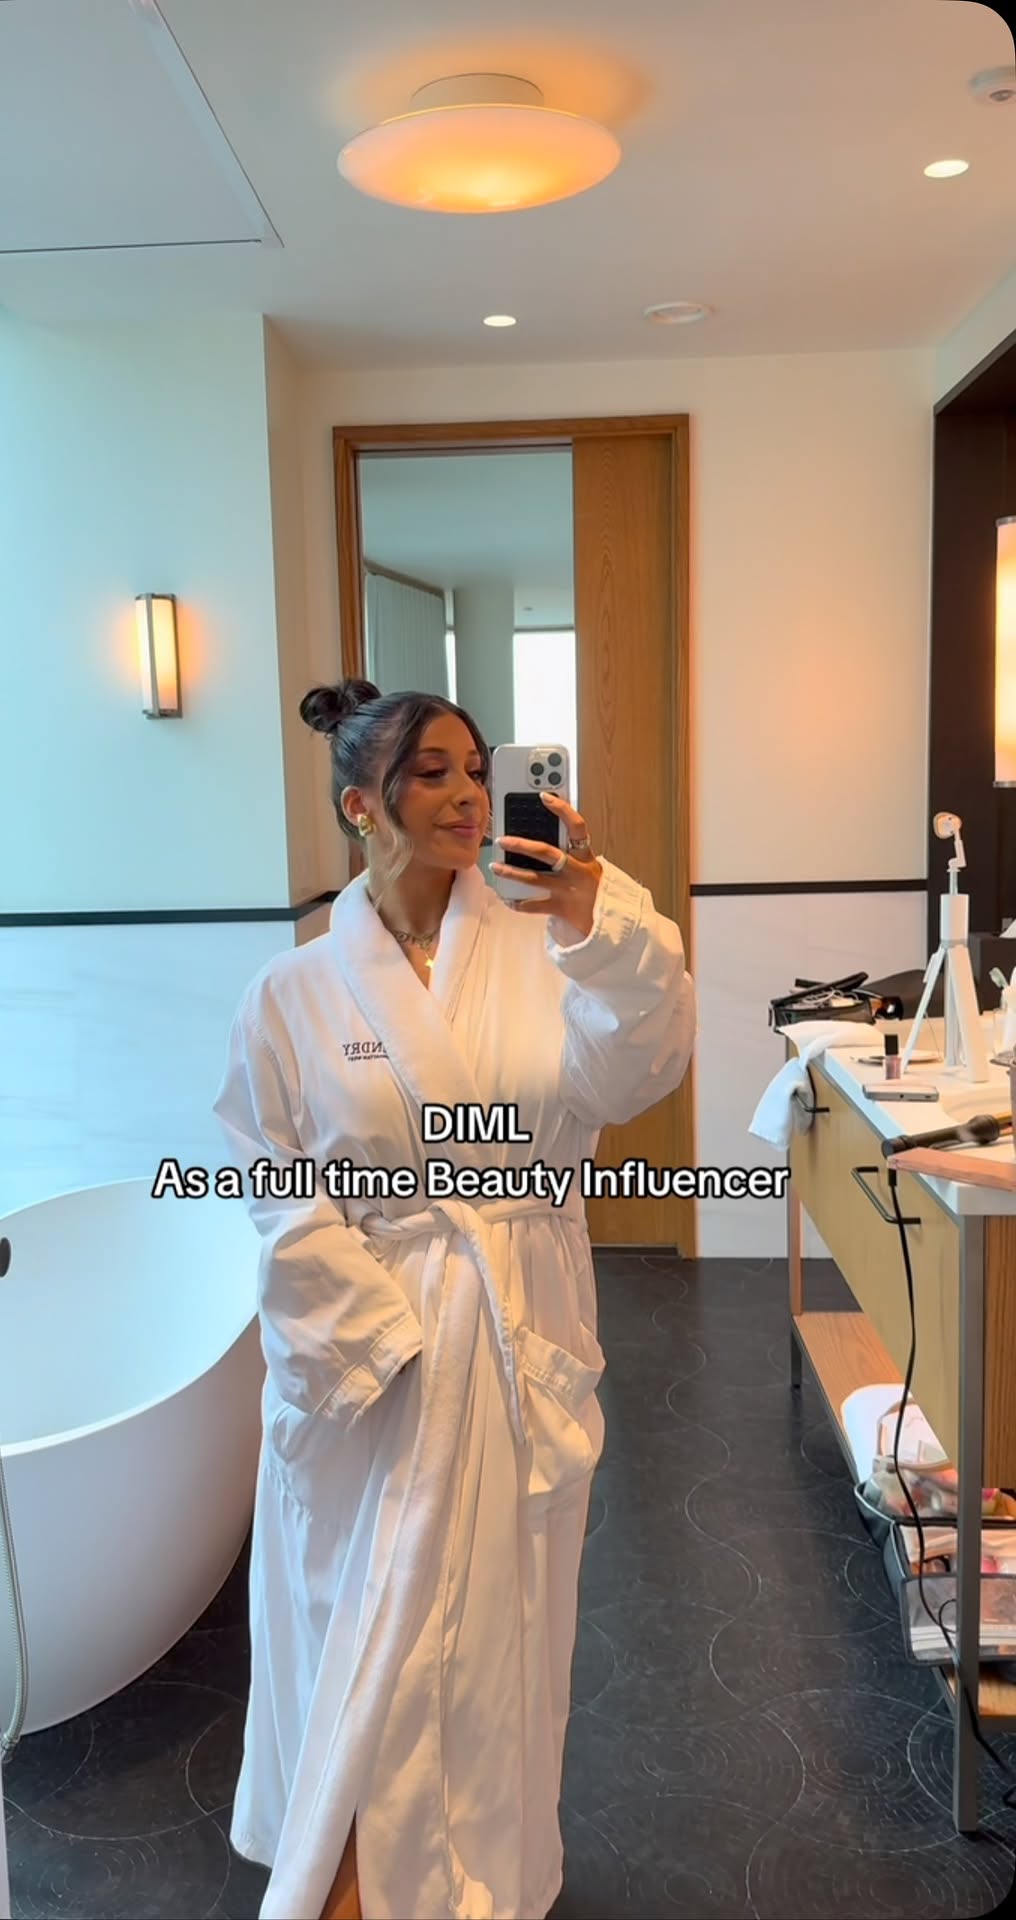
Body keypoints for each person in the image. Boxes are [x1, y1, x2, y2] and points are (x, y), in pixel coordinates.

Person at [211, 678, 697, 1920]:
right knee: (357, 1612)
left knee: (493, 1637)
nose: (470, 794)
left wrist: (595, 914)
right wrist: (366, 1336)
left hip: (513, 1322)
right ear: (359, 807)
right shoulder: (294, 992)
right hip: (379, 1351)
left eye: (477, 768)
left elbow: (641, 1066)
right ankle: (346, 1874)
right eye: (431, 772)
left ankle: (482, 1878)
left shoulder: (549, 943)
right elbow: (272, 1175)